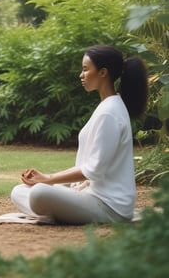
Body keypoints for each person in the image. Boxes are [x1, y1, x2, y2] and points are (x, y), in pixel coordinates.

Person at [10, 44, 149, 224]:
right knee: (18, 192)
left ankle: (57, 213)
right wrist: (49, 180)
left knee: (39, 192)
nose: (81, 75)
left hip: (110, 207)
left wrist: (48, 179)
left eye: (85, 69)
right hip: (88, 194)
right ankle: (58, 213)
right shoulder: (107, 106)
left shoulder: (110, 112)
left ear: (102, 72)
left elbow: (94, 170)